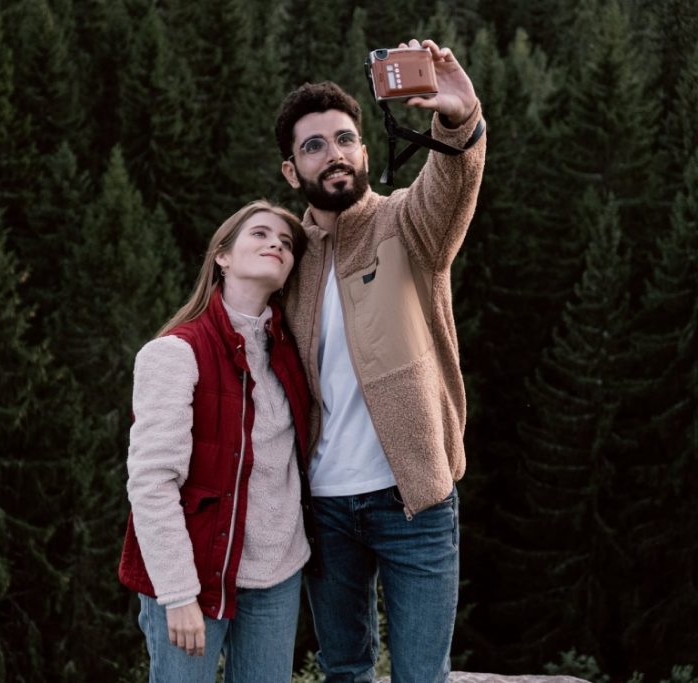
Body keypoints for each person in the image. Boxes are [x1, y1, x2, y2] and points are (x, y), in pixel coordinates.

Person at [274, 39, 486, 682]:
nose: (333, 154)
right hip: (325, 509)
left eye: (344, 139)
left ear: (364, 152)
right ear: (292, 172)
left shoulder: (407, 225)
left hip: (413, 500)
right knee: (345, 673)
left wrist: (457, 116)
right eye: (314, 145)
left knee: (422, 675)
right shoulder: (289, 259)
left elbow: (450, 181)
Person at [118, 200, 315, 682]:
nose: (276, 244)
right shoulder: (175, 353)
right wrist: (178, 594)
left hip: (277, 577)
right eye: (261, 234)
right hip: (195, 578)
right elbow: (151, 484)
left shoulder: (292, 350)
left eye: (287, 243)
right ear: (222, 256)